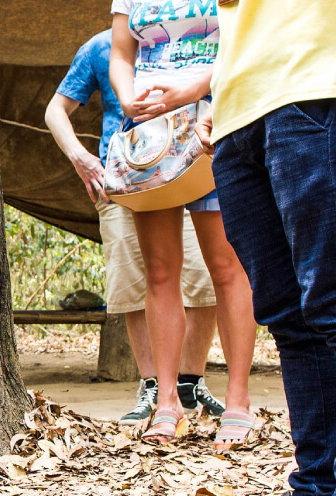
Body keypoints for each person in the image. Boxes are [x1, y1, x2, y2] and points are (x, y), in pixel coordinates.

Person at [195, 1, 336, 496]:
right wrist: (218, 96)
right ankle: (316, 488)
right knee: (289, 315)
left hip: (314, 82)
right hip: (239, 113)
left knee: (331, 303)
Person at [44, 29, 222, 426]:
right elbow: (54, 110)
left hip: (190, 170)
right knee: (133, 284)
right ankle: (153, 386)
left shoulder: (192, 30)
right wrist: (81, 157)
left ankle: (191, 380)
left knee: (205, 280)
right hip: (127, 178)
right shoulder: (100, 47)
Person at [108, 0, 257, 448]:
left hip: (214, 123)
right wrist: (124, 94)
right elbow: (120, 52)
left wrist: (194, 93)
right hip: (150, 134)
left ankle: (238, 401)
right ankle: (168, 401)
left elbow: (244, 40)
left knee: (226, 266)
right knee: (159, 269)